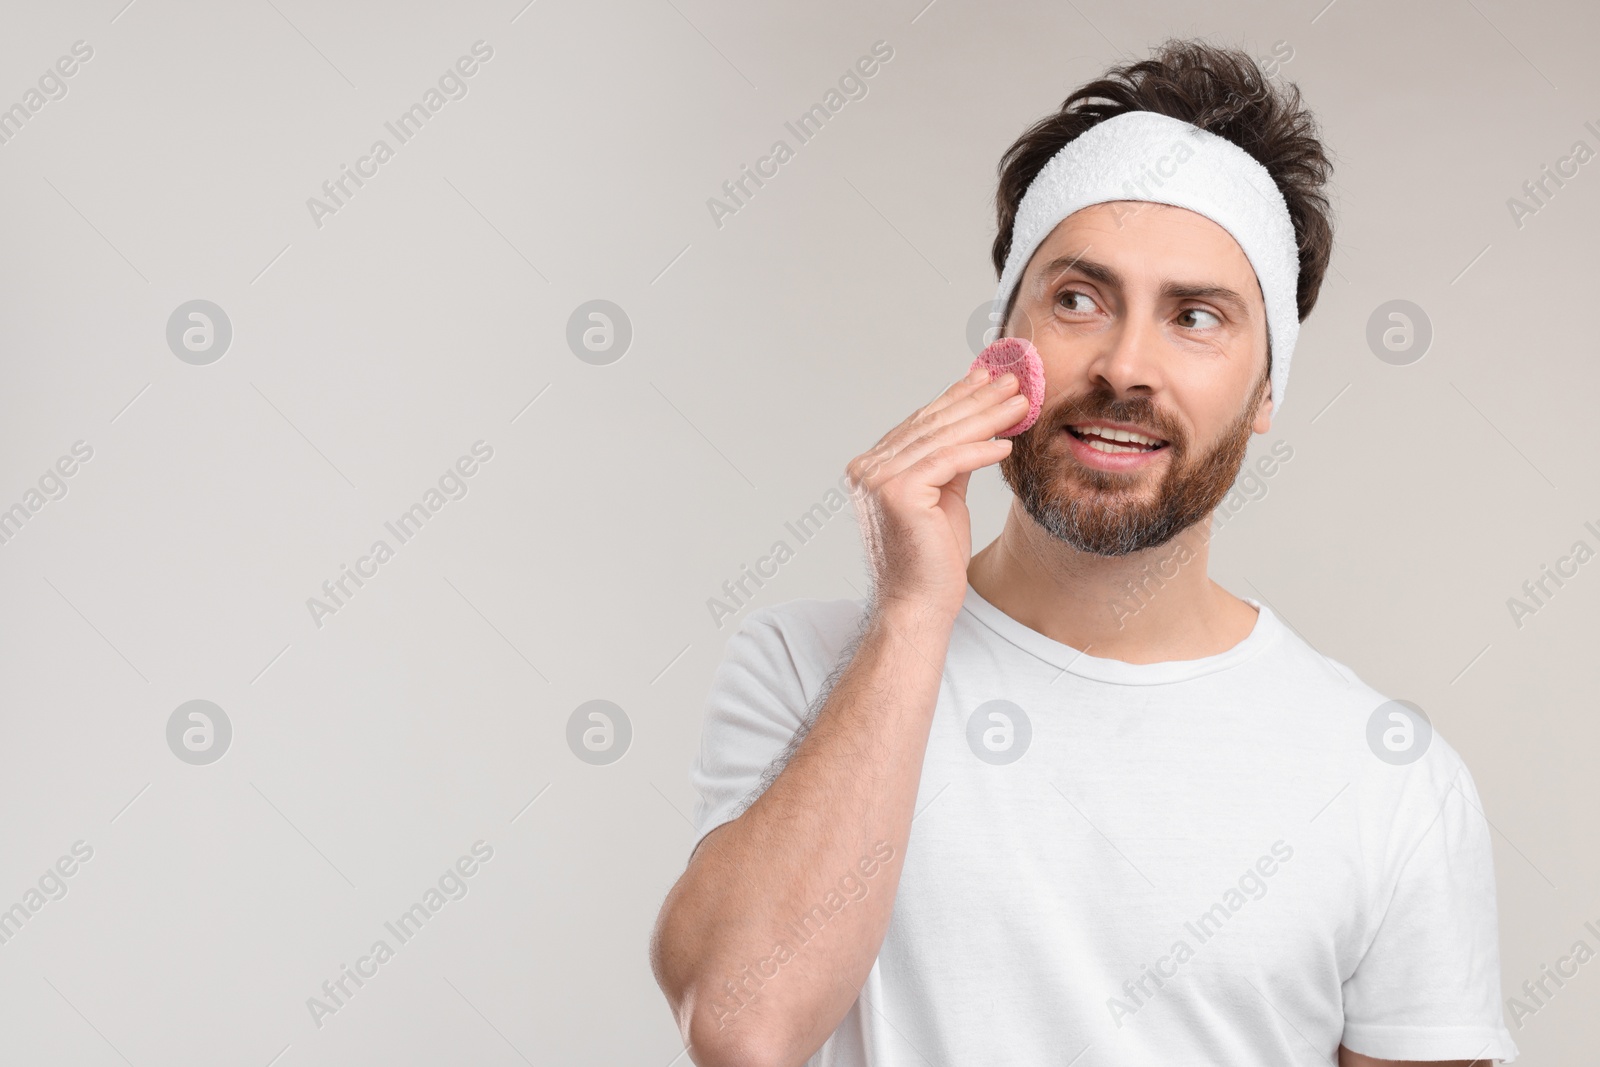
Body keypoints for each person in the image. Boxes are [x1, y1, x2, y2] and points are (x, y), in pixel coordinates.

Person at [650, 38, 1518, 1067]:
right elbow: (741, 1027)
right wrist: (913, 616)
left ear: (1267, 387)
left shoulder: (1388, 780)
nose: (1124, 366)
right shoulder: (805, 668)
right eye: (1076, 298)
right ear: (1000, 338)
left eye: (1196, 316)